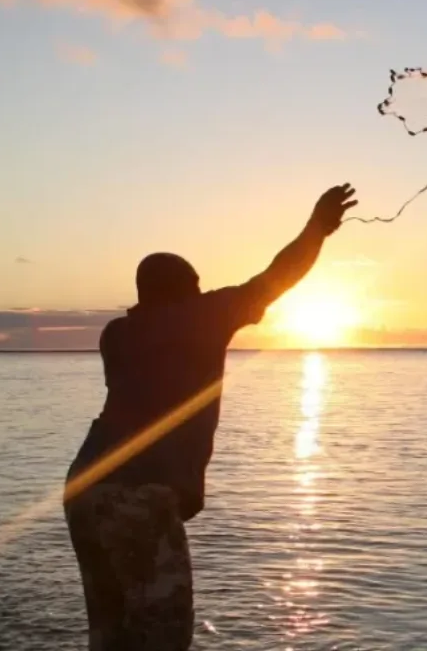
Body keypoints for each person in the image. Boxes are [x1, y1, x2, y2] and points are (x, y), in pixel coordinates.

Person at [62, 184, 358, 650]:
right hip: (139, 493)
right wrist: (318, 228)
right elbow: (278, 276)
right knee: (163, 635)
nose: (203, 292)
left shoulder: (116, 334)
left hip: (84, 489)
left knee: (110, 632)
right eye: (196, 286)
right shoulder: (202, 316)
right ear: (181, 291)